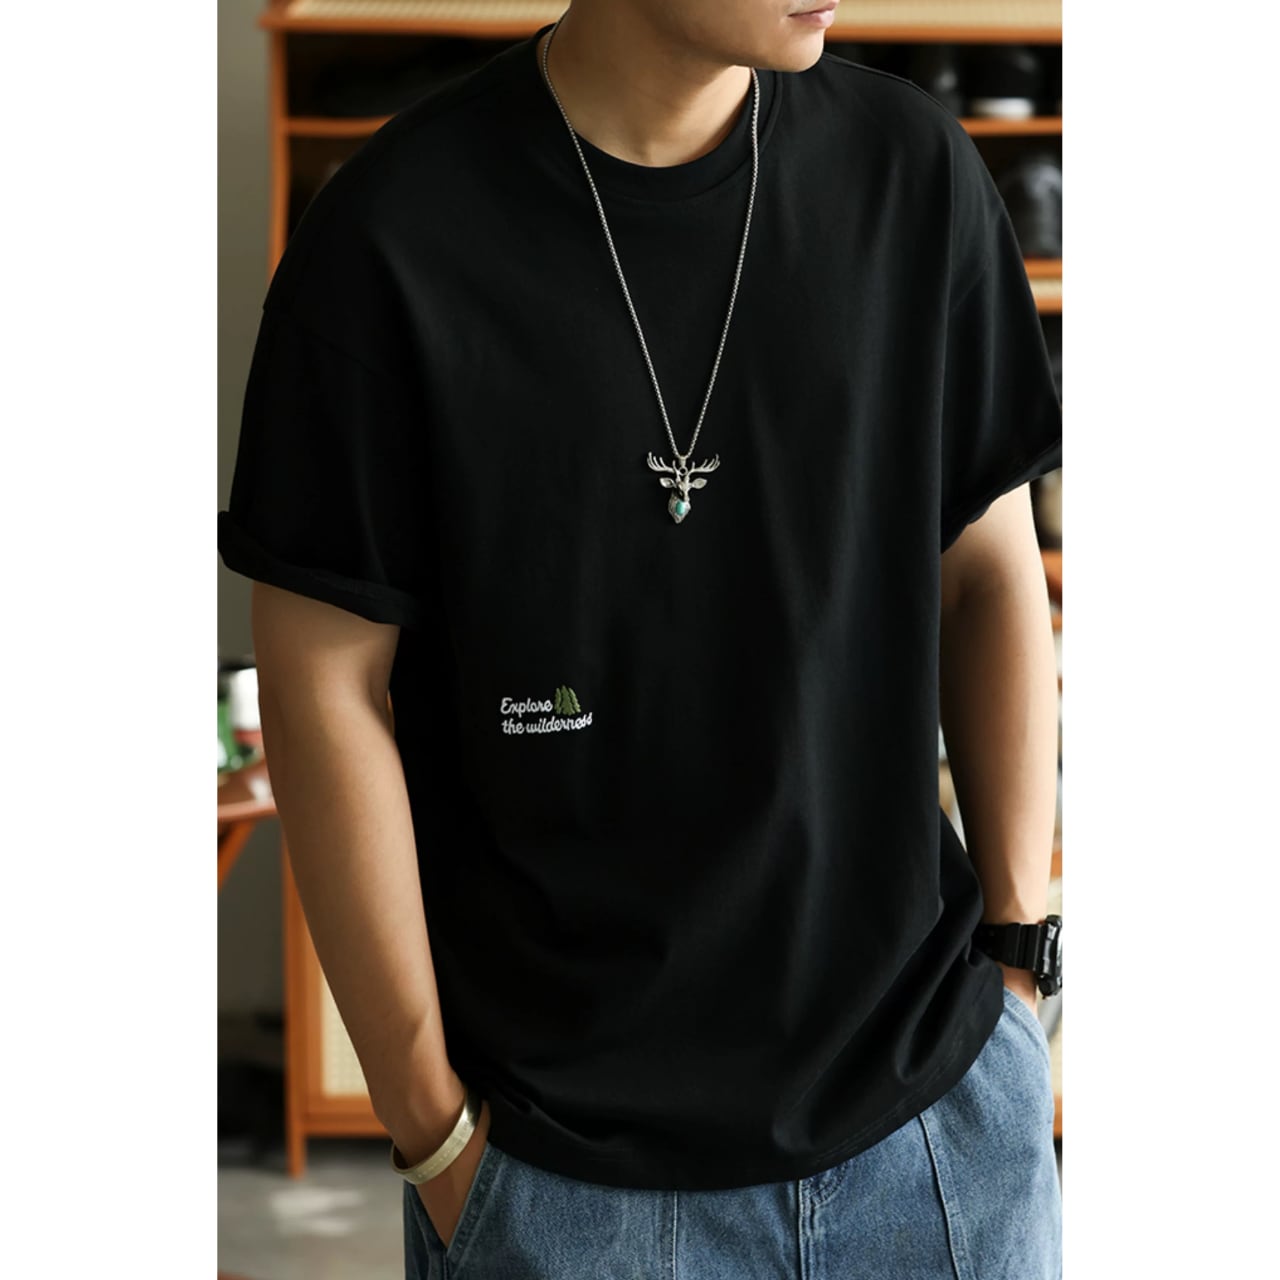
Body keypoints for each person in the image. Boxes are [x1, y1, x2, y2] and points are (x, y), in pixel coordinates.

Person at [217, 2, 1064, 1275]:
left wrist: (1018, 953)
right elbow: (322, 683)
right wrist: (434, 1134)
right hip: (564, 1186)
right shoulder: (390, 238)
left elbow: (985, 571)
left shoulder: (911, 174)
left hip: (936, 1142)